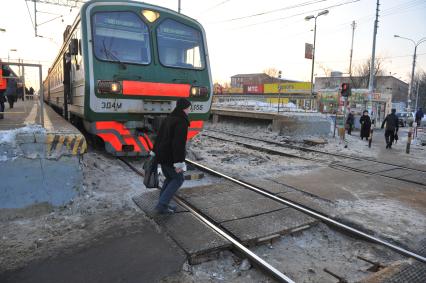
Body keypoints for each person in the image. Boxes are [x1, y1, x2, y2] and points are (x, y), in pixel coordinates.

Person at [152, 98, 191, 214]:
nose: (189, 110)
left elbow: (159, 136)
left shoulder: (169, 118)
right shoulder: (181, 121)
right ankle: (162, 205)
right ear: (184, 108)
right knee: (179, 179)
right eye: (189, 108)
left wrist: (154, 151)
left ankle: (163, 203)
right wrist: (179, 162)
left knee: (170, 178)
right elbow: (178, 143)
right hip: (171, 157)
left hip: (162, 154)